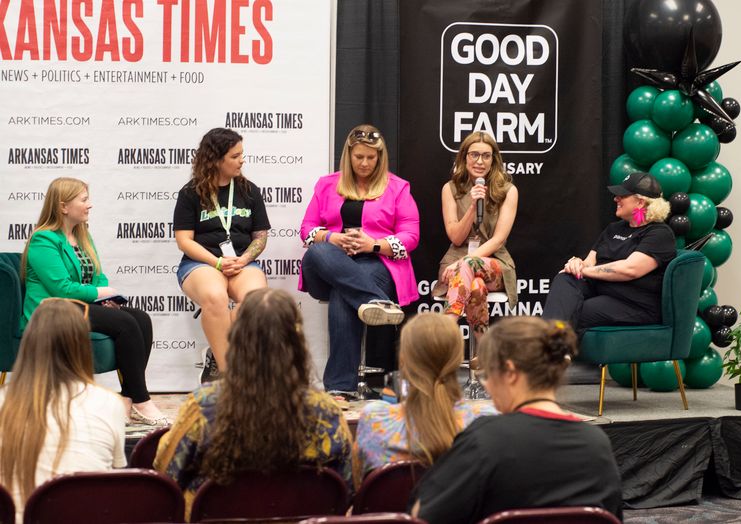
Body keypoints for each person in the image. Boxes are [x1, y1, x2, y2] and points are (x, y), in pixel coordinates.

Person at [154, 288, 353, 517]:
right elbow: (347, 490)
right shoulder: (327, 413)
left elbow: (165, 476)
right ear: (297, 342)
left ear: (236, 338)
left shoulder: (203, 406)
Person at [410, 317, 623, 523]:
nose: (487, 386)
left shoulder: (484, 440)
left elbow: (423, 515)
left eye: (488, 374)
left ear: (510, 372)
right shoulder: (597, 444)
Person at [21, 177, 168, 426]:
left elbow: (98, 276)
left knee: (141, 318)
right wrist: (100, 293)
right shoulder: (43, 240)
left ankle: (128, 400)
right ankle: (142, 400)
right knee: (124, 323)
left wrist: (106, 297)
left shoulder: (82, 235)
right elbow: (61, 288)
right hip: (53, 312)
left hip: (78, 306)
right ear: (63, 206)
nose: (90, 205)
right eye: (84, 199)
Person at [299, 124, 420, 395]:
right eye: (359, 157)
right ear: (348, 156)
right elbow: (307, 230)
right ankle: (376, 301)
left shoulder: (397, 187)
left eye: (371, 157)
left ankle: (341, 388)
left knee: (343, 294)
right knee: (318, 251)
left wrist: (374, 244)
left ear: (380, 157)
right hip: (328, 263)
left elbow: (411, 236)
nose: (364, 163)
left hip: (376, 264)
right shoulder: (327, 184)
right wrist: (334, 239)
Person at [0, 299, 127, 523]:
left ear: (29, 343)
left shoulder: (3, 402)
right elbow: (115, 477)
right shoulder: (110, 403)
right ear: (82, 346)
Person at [174, 128, 269, 381]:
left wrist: (244, 259)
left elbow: (260, 237)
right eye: (235, 156)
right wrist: (216, 261)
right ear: (216, 159)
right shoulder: (190, 192)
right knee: (215, 297)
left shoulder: (250, 191)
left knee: (256, 303)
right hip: (201, 262)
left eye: (241, 154)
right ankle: (229, 377)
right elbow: (184, 241)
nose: (241, 160)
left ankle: (219, 354)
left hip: (242, 262)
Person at [354, 313, 495, 483]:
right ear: (458, 359)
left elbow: (356, 488)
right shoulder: (485, 421)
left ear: (403, 360)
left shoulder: (374, 421)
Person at [542, 171, 676, 336]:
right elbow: (590, 261)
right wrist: (577, 264)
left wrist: (583, 271)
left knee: (574, 310)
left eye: (622, 195)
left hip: (633, 304)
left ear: (640, 202)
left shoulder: (659, 234)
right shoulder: (614, 228)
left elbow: (630, 269)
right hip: (601, 291)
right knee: (565, 278)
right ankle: (554, 351)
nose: (615, 199)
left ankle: (550, 352)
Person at [432, 131, 518, 336]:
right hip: (456, 261)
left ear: (493, 160)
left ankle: (447, 326)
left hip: (493, 263)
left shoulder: (508, 190)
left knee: (470, 266)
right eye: (474, 155)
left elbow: (498, 240)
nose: (480, 161)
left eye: (486, 156)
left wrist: (465, 261)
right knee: (476, 286)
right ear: (464, 157)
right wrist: (472, 207)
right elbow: (456, 237)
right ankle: (483, 351)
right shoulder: (450, 189)